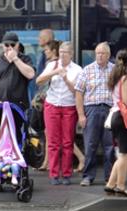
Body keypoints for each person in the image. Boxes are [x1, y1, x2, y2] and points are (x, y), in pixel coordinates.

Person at [37, 41, 83, 185]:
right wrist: (55, 72)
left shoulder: (77, 69)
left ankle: (67, 173)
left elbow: (75, 91)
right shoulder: (52, 65)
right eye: (61, 51)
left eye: (66, 52)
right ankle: (54, 174)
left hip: (69, 106)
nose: (62, 55)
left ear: (71, 54)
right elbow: (38, 81)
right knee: (53, 141)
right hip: (52, 105)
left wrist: (65, 78)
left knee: (68, 141)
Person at [76, 42, 114, 187]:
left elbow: (119, 91)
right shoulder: (87, 70)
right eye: (97, 53)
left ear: (108, 55)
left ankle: (109, 176)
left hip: (109, 110)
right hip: (91, 109)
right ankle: (88, 176)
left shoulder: (115, 70)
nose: (99, 55)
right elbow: (79, 92)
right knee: (90, 144)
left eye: (103, 53)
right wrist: (81, 115)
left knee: (109, 145)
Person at [103, 50, 127, 198]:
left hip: (115, 115)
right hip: (124, 116)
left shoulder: (115, 76)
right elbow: (126, 100)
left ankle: (111, 184)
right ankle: (121, 186)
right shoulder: (126, 78)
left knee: (122, 153)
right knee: (125, 154)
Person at [0, 31, 36, 113]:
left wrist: (15, 59)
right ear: (2, 45)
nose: (9, 47)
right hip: (0, 105)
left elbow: (31, 75)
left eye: (12, 45)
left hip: (19, 106)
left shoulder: (25, 59)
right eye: (6, 45)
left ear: (18, 45)